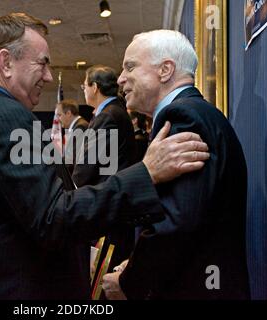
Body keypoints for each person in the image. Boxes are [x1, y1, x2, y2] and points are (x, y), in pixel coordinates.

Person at [0, 13, 210, 300]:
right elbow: (53, 218)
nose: (49, 76)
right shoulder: (7, 119)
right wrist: (146, 172)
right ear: (6, 62)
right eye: (43, 63)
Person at [102, 30, 250, 300]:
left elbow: (175, 223)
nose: (121, 78)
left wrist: (129, 281)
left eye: (130, 66)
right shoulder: (194, 112)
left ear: (165, 69)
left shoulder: (183, 116)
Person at [72, 65, 138, 269]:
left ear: (95, 87)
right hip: (115, 206)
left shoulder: (108, 116)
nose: (84, 90)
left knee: (103, 278)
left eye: (85, 85)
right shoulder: (114, 111)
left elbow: (86, 169)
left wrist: (72, 183)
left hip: (108, 210)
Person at [57, 99, 88, 175]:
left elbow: (73, 160)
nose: (58, 119)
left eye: (59, 115)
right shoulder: (78, 126)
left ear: (68, 113)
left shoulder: (80, 127)